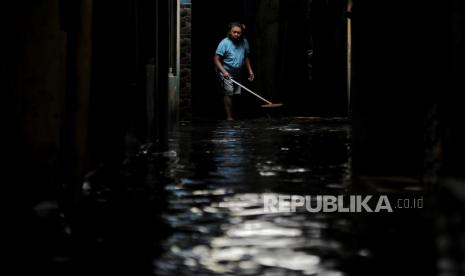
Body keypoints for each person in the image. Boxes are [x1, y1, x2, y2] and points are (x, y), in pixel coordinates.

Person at [214, 22, 254, 121]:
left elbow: (246, 57)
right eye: (234, 32)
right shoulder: (224, 43)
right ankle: (229, 117)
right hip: (225, 71)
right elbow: (216, 59)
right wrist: (224, 72)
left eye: (238, 32)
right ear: (230, 32)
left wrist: (250, 71)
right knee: (229, 92)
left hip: (237, 72)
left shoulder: (244, 42)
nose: (236, 34)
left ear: (242, 33)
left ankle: (234, 115)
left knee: (236, 94)